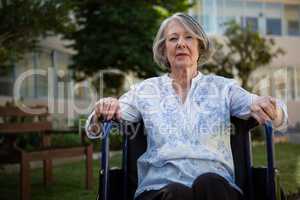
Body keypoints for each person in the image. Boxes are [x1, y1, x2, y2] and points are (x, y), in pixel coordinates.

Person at [85, 13, 288, 200]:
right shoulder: (146, 90)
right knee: (176, 192)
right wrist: (102, 110)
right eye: (173, 39)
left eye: (188, 37)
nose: (181, 43)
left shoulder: (224, 88)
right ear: (164, 49)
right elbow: (100, 123)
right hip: (159, 188)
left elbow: (275, 114)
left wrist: (270, 106)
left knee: (210, 183)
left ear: (200, 47)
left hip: (216, 187)